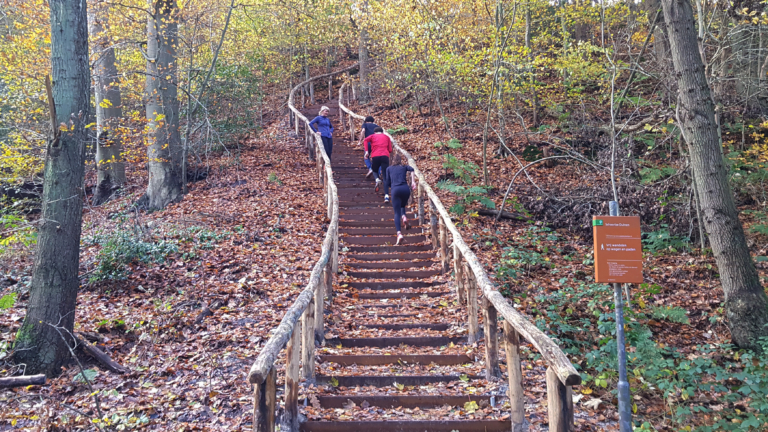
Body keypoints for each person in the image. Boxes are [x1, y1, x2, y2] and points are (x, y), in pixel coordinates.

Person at [385, 152, 417, 245]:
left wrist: (391, 187)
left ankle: (399, 234)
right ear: (400, 161)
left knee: (396, 212)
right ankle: (404, 217)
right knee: (402, 205)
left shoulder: (389, 169)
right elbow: (412, 169)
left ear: (393, 161)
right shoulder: (404, 167)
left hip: (395, 189)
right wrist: (413, 182)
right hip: (405, 189)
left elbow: (387, 182)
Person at [362, 127, 393, 202]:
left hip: (375, 156)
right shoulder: (387, 137)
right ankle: (386, 196)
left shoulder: (372, 136)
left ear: (375, 132)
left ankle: (377, 179)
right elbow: (390, 150)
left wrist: (366, 152)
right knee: (385, 177)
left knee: (374, 170)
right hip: (385, 156)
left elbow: (365, 140)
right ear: (382, 132)